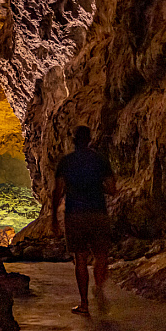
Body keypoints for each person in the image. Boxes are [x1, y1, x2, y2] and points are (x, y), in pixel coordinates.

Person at [51, 125, 118, 316]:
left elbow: (58, 191)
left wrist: (54, 217)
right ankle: (99, 286)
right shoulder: (100, 160)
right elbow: (113, 189)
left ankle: (84, 304)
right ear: (89, 140)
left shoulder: (67, 162)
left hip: (75, 214)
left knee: (80, 258)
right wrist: (98, 188)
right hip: (98, 213)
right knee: (101, 255)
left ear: (74, 141)